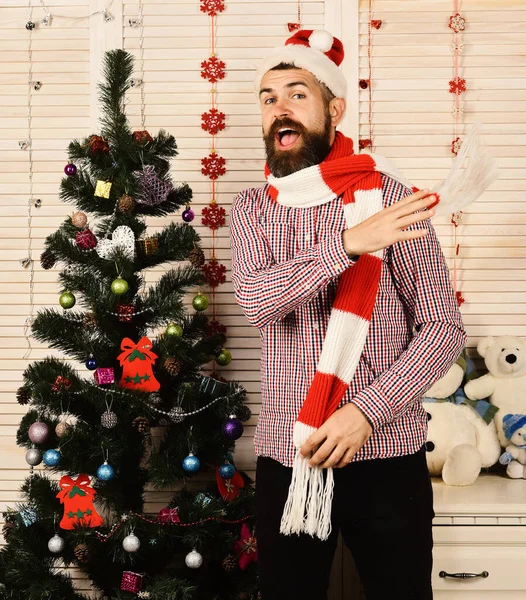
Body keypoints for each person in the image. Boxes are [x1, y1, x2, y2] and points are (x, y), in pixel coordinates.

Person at [229, 29, 467, 600]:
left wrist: (365, 413)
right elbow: (259, 302)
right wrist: (350, 243)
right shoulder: (253, 208)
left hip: (386, 453)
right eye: (268, 98)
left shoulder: (394, 199)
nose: (279, 109)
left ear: (333, 108)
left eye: (296, 94)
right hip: (290, 455)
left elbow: (442, 327)